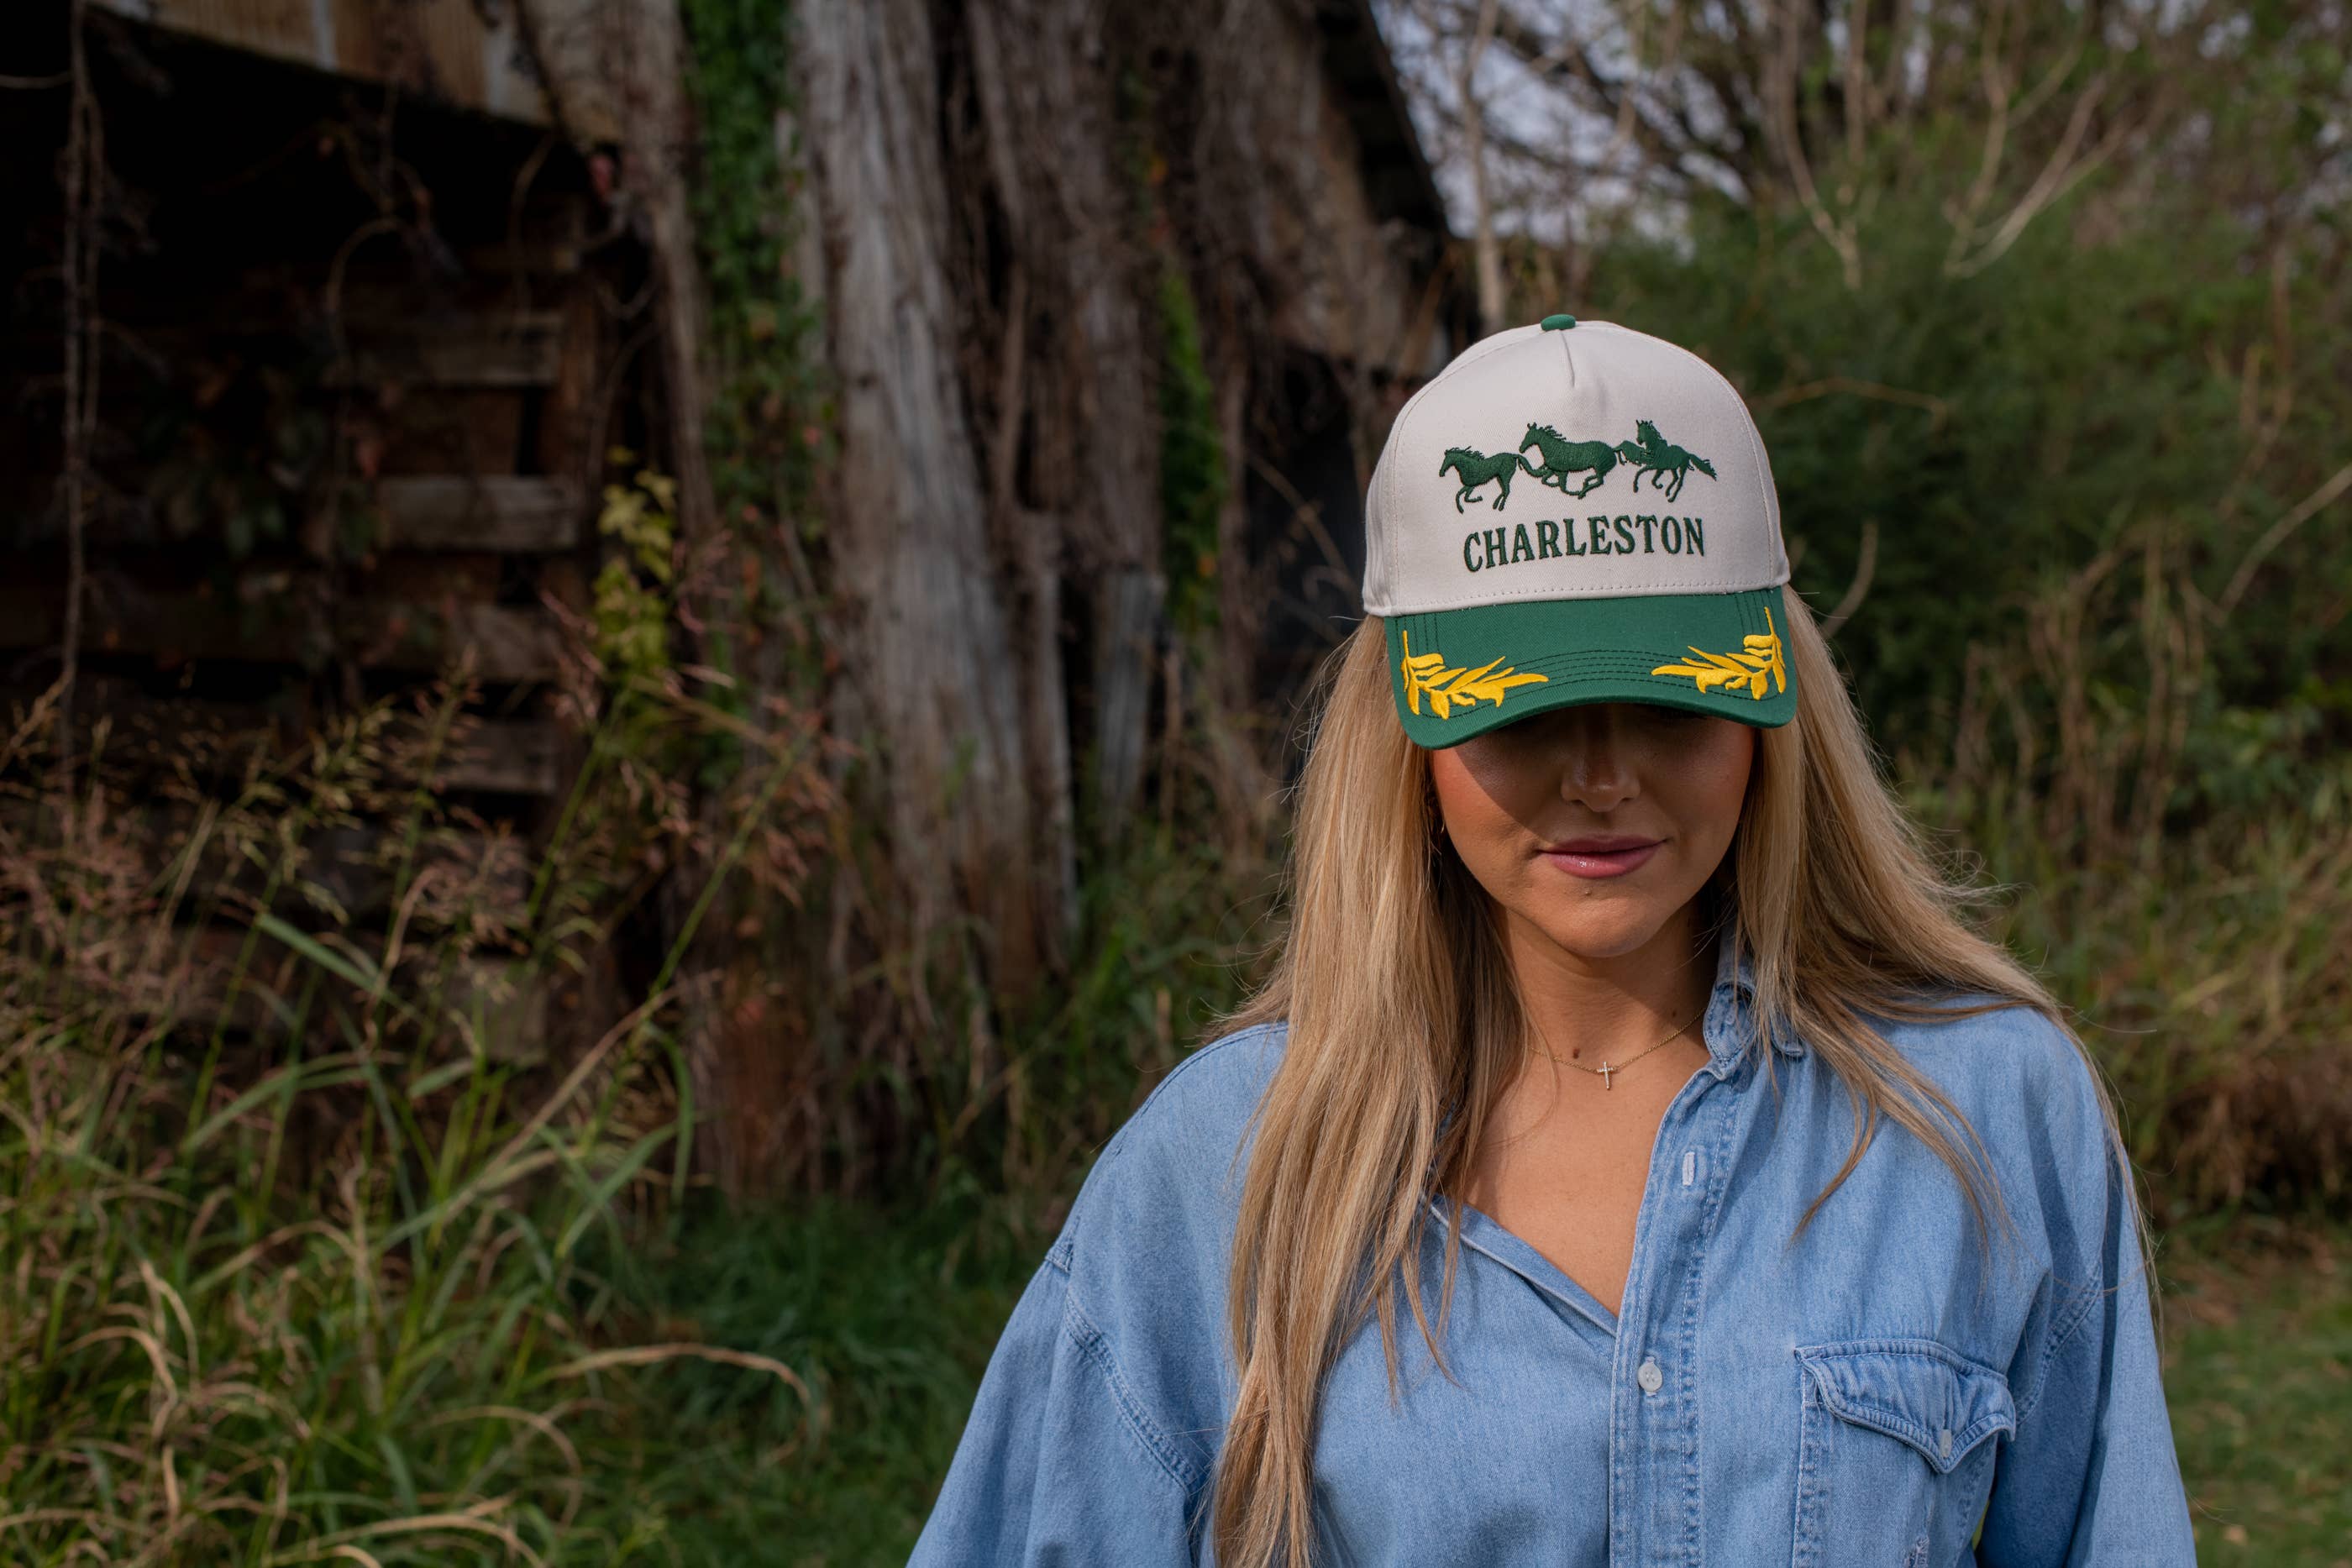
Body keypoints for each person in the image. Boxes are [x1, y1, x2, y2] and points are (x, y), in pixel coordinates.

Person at [907, 315, 2197, 1566]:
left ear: (1771, 713)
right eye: (1522, 711)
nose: (1601, 778)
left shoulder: (1985, 1112)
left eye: (1670, 702)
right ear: (1404, 737)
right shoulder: (1226, 1163)